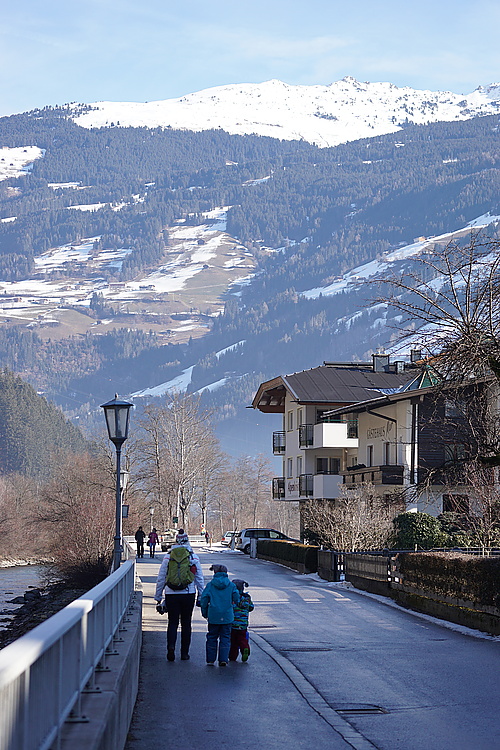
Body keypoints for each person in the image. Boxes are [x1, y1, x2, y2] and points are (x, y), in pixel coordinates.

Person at [154, 529, 204, 661]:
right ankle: (184, 653)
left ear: (176, 541)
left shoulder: (168, 556)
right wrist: (200, 595)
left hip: (171, 594)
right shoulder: (193, 556)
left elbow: (161, 578)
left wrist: (158, 597)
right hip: (188, 593)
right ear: (187, 541)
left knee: (172, 623)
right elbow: (199, 578)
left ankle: (171, 647)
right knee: (186, 623)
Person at [200, 564, 240, 667]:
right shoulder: (231, 585)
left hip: (213, 615)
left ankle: (210, 659)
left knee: (212, 637)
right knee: (225, 637)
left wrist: (205, 613)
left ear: (215, 573)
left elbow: (204, 600)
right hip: (227, 616)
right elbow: (236, 598)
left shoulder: (210, 585)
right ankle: (223, 659)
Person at [229, 579, 254, 662]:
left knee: (233, 641)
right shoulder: (247, 598)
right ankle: (245, 648)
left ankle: (232, 656)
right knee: (242, 638)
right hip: (243, 623)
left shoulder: (232, 598)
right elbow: (251, 608)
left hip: (233, 623)